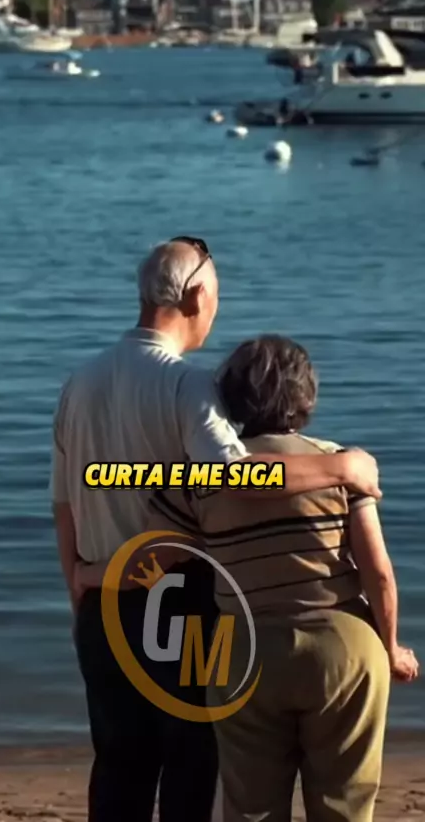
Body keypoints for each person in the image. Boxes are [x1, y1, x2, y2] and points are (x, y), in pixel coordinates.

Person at [51, 240, 382, 822]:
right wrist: (340, 468)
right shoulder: (189, 385)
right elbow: (233, 478)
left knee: (118, 772)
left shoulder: (78, 384)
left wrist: (79, 588)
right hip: (179, 607)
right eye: (218, 297)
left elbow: (64, 505)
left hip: (104, 605)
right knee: (191, 771)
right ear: (197, 295)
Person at [146, 334, 418, 822]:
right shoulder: (340, 465)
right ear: (306, 395)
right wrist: (392, 646)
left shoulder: (200, 479)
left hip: (242, 651)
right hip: (343, 647)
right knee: (346, 802)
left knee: (251, 806)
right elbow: (378, 572)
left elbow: (160, 557)